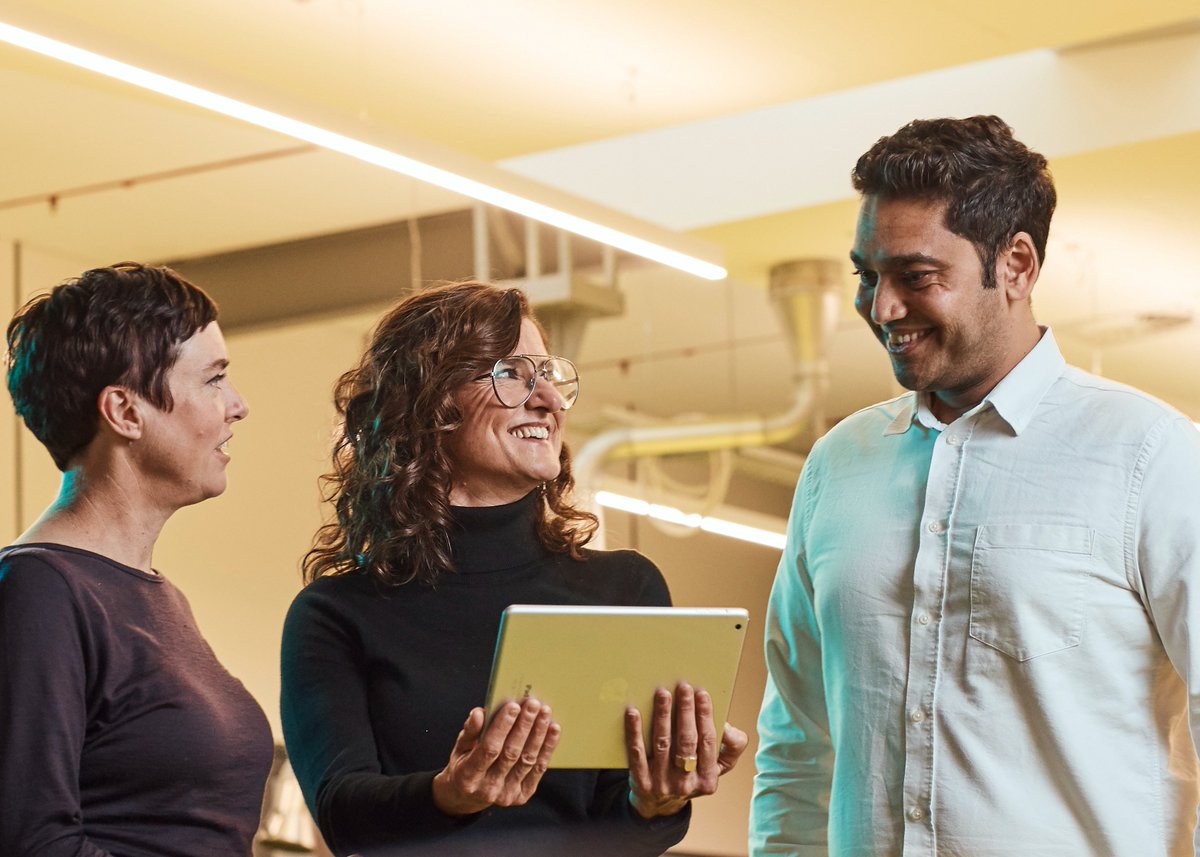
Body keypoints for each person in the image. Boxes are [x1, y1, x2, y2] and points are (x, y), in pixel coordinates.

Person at [750, 115, 1200, 857]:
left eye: (916, 277)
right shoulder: (837, 466)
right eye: (868, 275)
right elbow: (800, 740)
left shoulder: (1150, 454)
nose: (882, 307)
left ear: (1017, 265)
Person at [281, 280, 747, 856]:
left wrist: (658, 803)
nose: (547, 398)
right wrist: (450, 794)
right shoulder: (337, 612)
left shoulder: (624, 588)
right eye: (510, 374)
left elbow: (619, 828)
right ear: (428, 406)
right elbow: (342, 813)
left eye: (548, 374)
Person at [0, 263, 273, 857]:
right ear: (125, 412)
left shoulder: (156, 595)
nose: (238, 405)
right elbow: (33, 842)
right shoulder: (39, 591)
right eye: (213, 380)